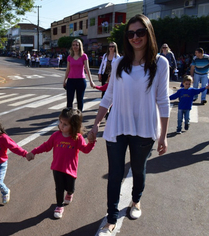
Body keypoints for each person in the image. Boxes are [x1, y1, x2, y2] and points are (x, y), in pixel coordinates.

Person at [87, 14, 170, 235]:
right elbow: (108, 96)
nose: (135, 37)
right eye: (131, 33)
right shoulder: (118, 63)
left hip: (144, 128)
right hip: (116, 126)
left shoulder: (160, 64)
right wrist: (95, 125)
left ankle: (135, 201)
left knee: (138, 170)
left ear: (149, 34)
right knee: (114, 174)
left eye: (140, 32)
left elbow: (163, 101)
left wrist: (163, 136)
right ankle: (111, 218)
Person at [26, 108, 95, 219]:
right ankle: (59, 206)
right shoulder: (56, 136)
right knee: (59, 188)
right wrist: (34, 152)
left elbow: (86, 150)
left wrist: (91, 143)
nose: (61, 126)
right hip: (57, 168)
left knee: (70, 187)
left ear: (74, 126)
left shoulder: (77, 138)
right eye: (60, 122)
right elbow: (46, 146)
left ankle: (70, 193)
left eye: (65, 124)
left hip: (70, 170)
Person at [63, 39, 96, 111]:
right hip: (71, 80)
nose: (75, 46)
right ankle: (69, 118)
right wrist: (64, 80)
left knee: (80, 100)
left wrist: (91, 81)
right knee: (69, 100)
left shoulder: (84, 56)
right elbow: (68, 69)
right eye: (73, 45)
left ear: (80, 46)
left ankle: (79, 118)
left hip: (81, 80)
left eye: (77, 45)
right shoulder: (69, 57)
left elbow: (87, 69)